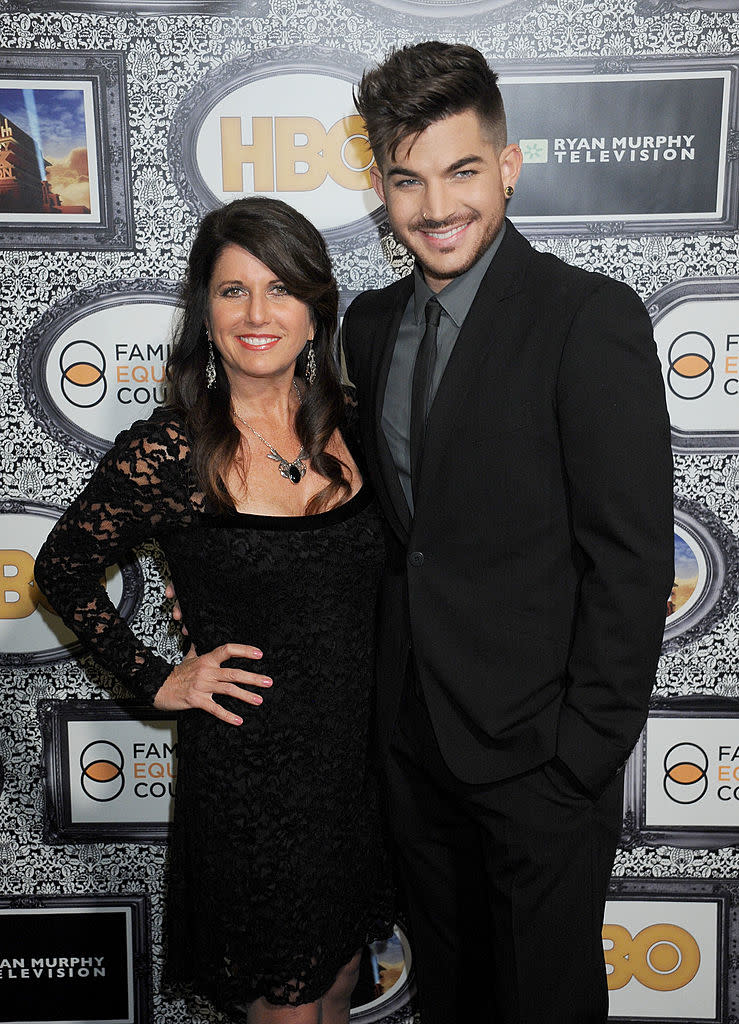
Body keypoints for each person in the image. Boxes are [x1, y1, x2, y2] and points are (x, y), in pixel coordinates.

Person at [341, 42, 674, 1024]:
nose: (436, 206)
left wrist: (581, 756)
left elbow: (630, 557)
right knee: (451, 998)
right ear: (380, 187)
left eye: (461, 171)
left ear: (509, 166)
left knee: (543, 1004)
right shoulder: (366, 323)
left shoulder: (587, 318)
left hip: (539, 759)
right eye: (408, 180)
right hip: (414, 747)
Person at [34, 197, 393, 1024]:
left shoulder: (363, 430)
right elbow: (61, 568)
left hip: (359, 769)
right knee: (286, 1008)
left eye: (280, 289)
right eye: (233, 291)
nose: (258, 314)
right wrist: (157, 679)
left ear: (316, 309)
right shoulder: (169, 451)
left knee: (338, 983)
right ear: (205, 310)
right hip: (251, 781)